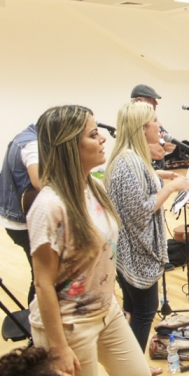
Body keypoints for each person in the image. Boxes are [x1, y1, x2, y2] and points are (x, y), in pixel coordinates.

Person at [27, 105, 150, 376]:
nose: (103, 139)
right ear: (69, 145)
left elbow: (103, 257)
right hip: (68, 325)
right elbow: (43, 283)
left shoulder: (96, 188)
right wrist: (58, 348)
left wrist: (113, 298)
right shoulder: (49, 206)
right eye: (94, 134)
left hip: (107, 313)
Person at [104, 102, 189, 371]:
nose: (160, 126)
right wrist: (172, 186)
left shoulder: (131, 159)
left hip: (128, 251)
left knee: (133, 309)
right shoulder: (129, 162)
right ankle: (133, 369)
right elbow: (141, 209)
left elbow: (136, 190)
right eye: (155, 121)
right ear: (143, 130)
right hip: (135, 253)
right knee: (144, 311)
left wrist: (156, 174)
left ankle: (131, 364)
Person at [0, 124, 41, 304]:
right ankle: (36, 324)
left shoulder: (25, 136)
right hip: (22, 223)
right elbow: (39, 181)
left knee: (41, 273)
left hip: (14, 219)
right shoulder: (32, 144)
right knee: (42, 276)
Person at [130, 85, 176, 170]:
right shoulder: (129, 123)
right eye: (152, 99)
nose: (156, 103)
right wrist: (160, 145)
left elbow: (171, 145)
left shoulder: (154, 121)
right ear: (139, 101)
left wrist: (160, 145)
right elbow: (157, 153)